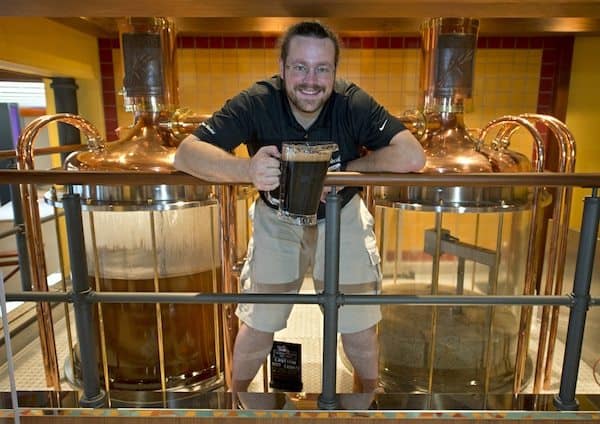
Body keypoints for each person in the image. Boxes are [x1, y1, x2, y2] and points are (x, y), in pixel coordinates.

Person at [174, 21, 426, 394]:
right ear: (282, 67)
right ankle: (235, 403)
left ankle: (366, 405)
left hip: (343, 216)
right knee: (260, 322)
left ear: (335, 72)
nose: (311, 79)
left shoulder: (353, 103)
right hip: (276, 220)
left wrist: (344, 172)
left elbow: (412, 155)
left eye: (322, 68)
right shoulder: (257, 101)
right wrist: (246, 169)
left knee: (357, 327)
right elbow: (185, 153)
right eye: (300, 67)